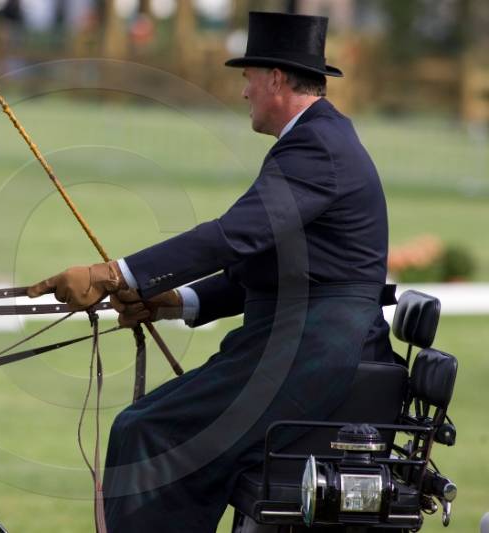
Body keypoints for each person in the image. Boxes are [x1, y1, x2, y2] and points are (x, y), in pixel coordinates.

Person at [28, 11, 396, 533]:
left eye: (247, 78)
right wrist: (173, 301)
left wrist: (114, 275)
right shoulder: (318, 139)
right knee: (142, 425)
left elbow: (233, 236)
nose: (243, 91)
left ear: (275, 78)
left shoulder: (317, 147)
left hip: (315, 349)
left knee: (148, 432)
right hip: (295, 342)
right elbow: (271, 263)